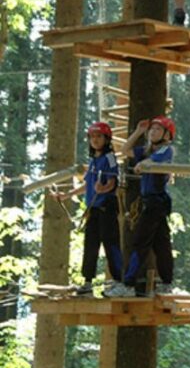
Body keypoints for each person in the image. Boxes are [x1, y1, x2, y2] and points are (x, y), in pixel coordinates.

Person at [105, 116, 176, 298]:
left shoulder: (166, 150)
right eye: (152, 129)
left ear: (167, 135)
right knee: (161, 244)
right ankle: (167, 283)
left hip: (156, 203)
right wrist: (138, 132)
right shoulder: (146, 150)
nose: (153, 132)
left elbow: (150, 162)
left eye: (158, 130)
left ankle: (128, 284)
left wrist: (142, 164)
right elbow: (125, 150)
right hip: (152, 204)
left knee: (140, 242)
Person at [52, 122, 122, 295]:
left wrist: (103, 189)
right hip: (93, 209)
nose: (95, 140)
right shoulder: (93, 161)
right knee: (90, 244)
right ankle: (87, 282)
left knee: (110, 243)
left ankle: (120, 281)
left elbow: (113, 182)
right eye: (92, 137)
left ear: (106, 139)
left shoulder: (110, 157)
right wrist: (66, 195)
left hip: (106, 207)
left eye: (99, 136)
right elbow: (88, 185)